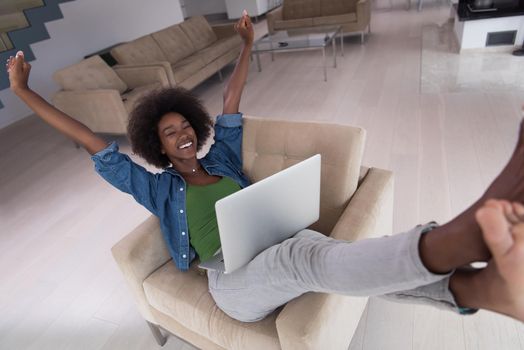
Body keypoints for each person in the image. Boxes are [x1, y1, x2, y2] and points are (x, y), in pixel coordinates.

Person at [6, 12, 524, 324]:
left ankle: (476, 290)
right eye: (169, 133)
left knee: (320, 252)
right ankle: (462, 235)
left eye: (184, 125)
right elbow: (91, 140)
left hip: (278, 251)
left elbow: (231, 98)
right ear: (157, 147)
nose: (182, 134)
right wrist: (25, 92)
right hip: (233, 287)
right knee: (303, 256)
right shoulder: (155, 189)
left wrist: (247, 45)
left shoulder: (224, 159)